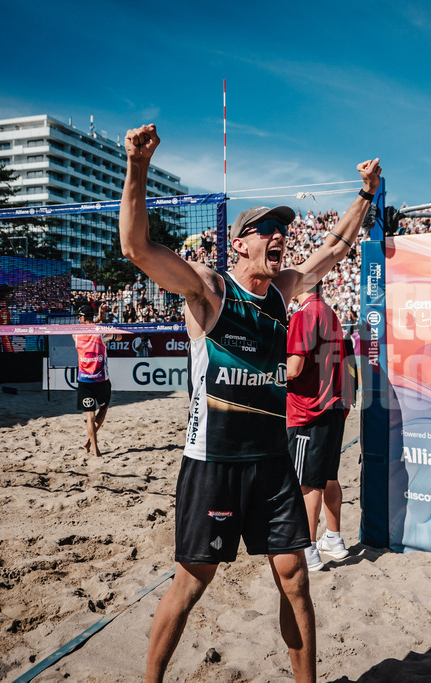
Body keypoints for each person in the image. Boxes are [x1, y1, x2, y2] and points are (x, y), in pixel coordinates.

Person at [119, 122, 380, 683]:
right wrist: (137, 168)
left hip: (271, 463)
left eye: (282, 227)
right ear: (239, 242)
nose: (279, 234)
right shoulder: (208, 289)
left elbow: (335, 248)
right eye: (265, 228)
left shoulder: (284, 292)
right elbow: (137, 248)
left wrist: (365, 195)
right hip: (212, 464)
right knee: (192, 582)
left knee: (295, 578)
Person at [286, 279, 351, 572]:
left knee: (306, 484)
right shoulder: (329, 312)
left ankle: (308, 549)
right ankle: (333, 539)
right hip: (333, 405)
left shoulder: (304, 314)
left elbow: (294, 369)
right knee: (327, 477)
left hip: (308, 411)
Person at [74, 304, 115, 459]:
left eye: (79, 318)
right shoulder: (102, 333)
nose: (78, 320)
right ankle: (91, 445)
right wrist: (101, 319)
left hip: (84, 380)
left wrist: (99, 319)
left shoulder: (75, 335)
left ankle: (93, 446)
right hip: (101, 380)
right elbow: (116, 335)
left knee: (89, 416)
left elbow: (89, 328)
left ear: (83, 318)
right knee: (103, 410)